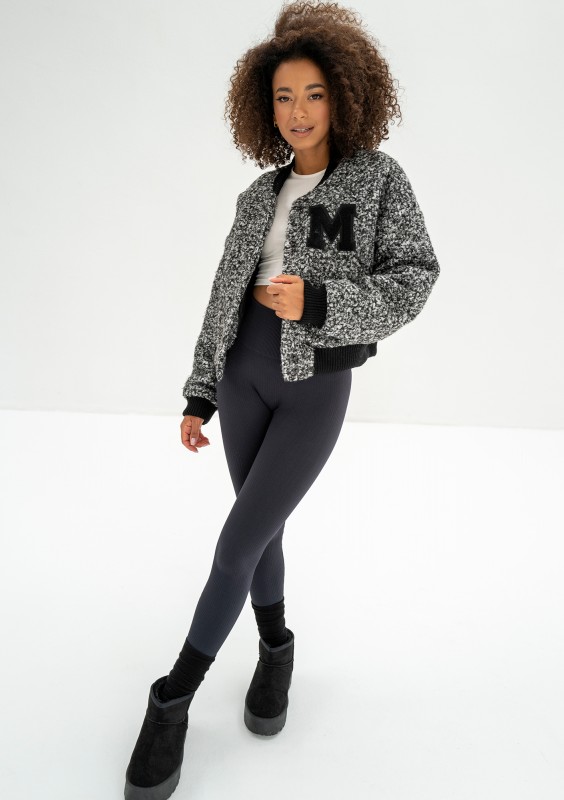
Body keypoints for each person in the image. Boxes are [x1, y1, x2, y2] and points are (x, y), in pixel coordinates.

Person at [124, 2, 440, 798]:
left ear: (343, 96)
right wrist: (200, 391)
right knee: (260, 534)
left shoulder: (377, 180)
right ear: (264, 108)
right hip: (242, 379)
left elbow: (414, 278)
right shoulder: (254, 196)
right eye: (283, 97)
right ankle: (276, 651)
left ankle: (172, 701)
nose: (298, 111)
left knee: (235, 545)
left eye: (313, 94)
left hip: (312, 389)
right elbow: (222, 297)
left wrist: (322, 302)